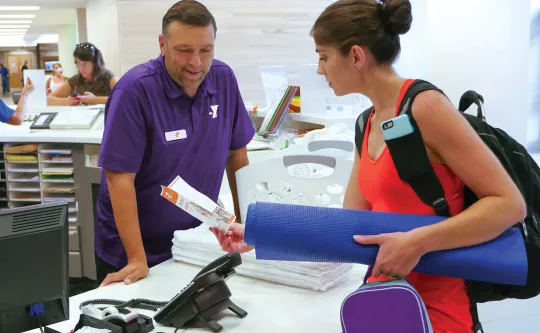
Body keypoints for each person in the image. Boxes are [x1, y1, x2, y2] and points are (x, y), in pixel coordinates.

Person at [212, 1, 526, 332]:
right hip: (384, 296)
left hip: (438, 306)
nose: (320, 69)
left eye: (323, 56)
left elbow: (509, 205)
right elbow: (348, 227)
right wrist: (258, 234)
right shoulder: (367, 122)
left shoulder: (426, 108)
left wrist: (417, 243)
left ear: (357, 57)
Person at [95, 0, 255, 287]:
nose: (196, 62)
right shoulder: (134, 91)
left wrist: (247, 228)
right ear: (162, 44)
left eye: (205, 50)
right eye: (184, 51)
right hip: (137, 248)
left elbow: (237, 156)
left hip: (196, 242)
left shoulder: (223, 79)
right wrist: (135, 258)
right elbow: (119, 180)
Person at [47, 42, 117, 106]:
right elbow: (48, 99)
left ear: (95, 63)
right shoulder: (75, 80)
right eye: (78, 63)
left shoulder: (107, 76)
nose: (81, 68)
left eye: (85, 64)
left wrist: (95, 99)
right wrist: (66, 101)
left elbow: (122, 98)